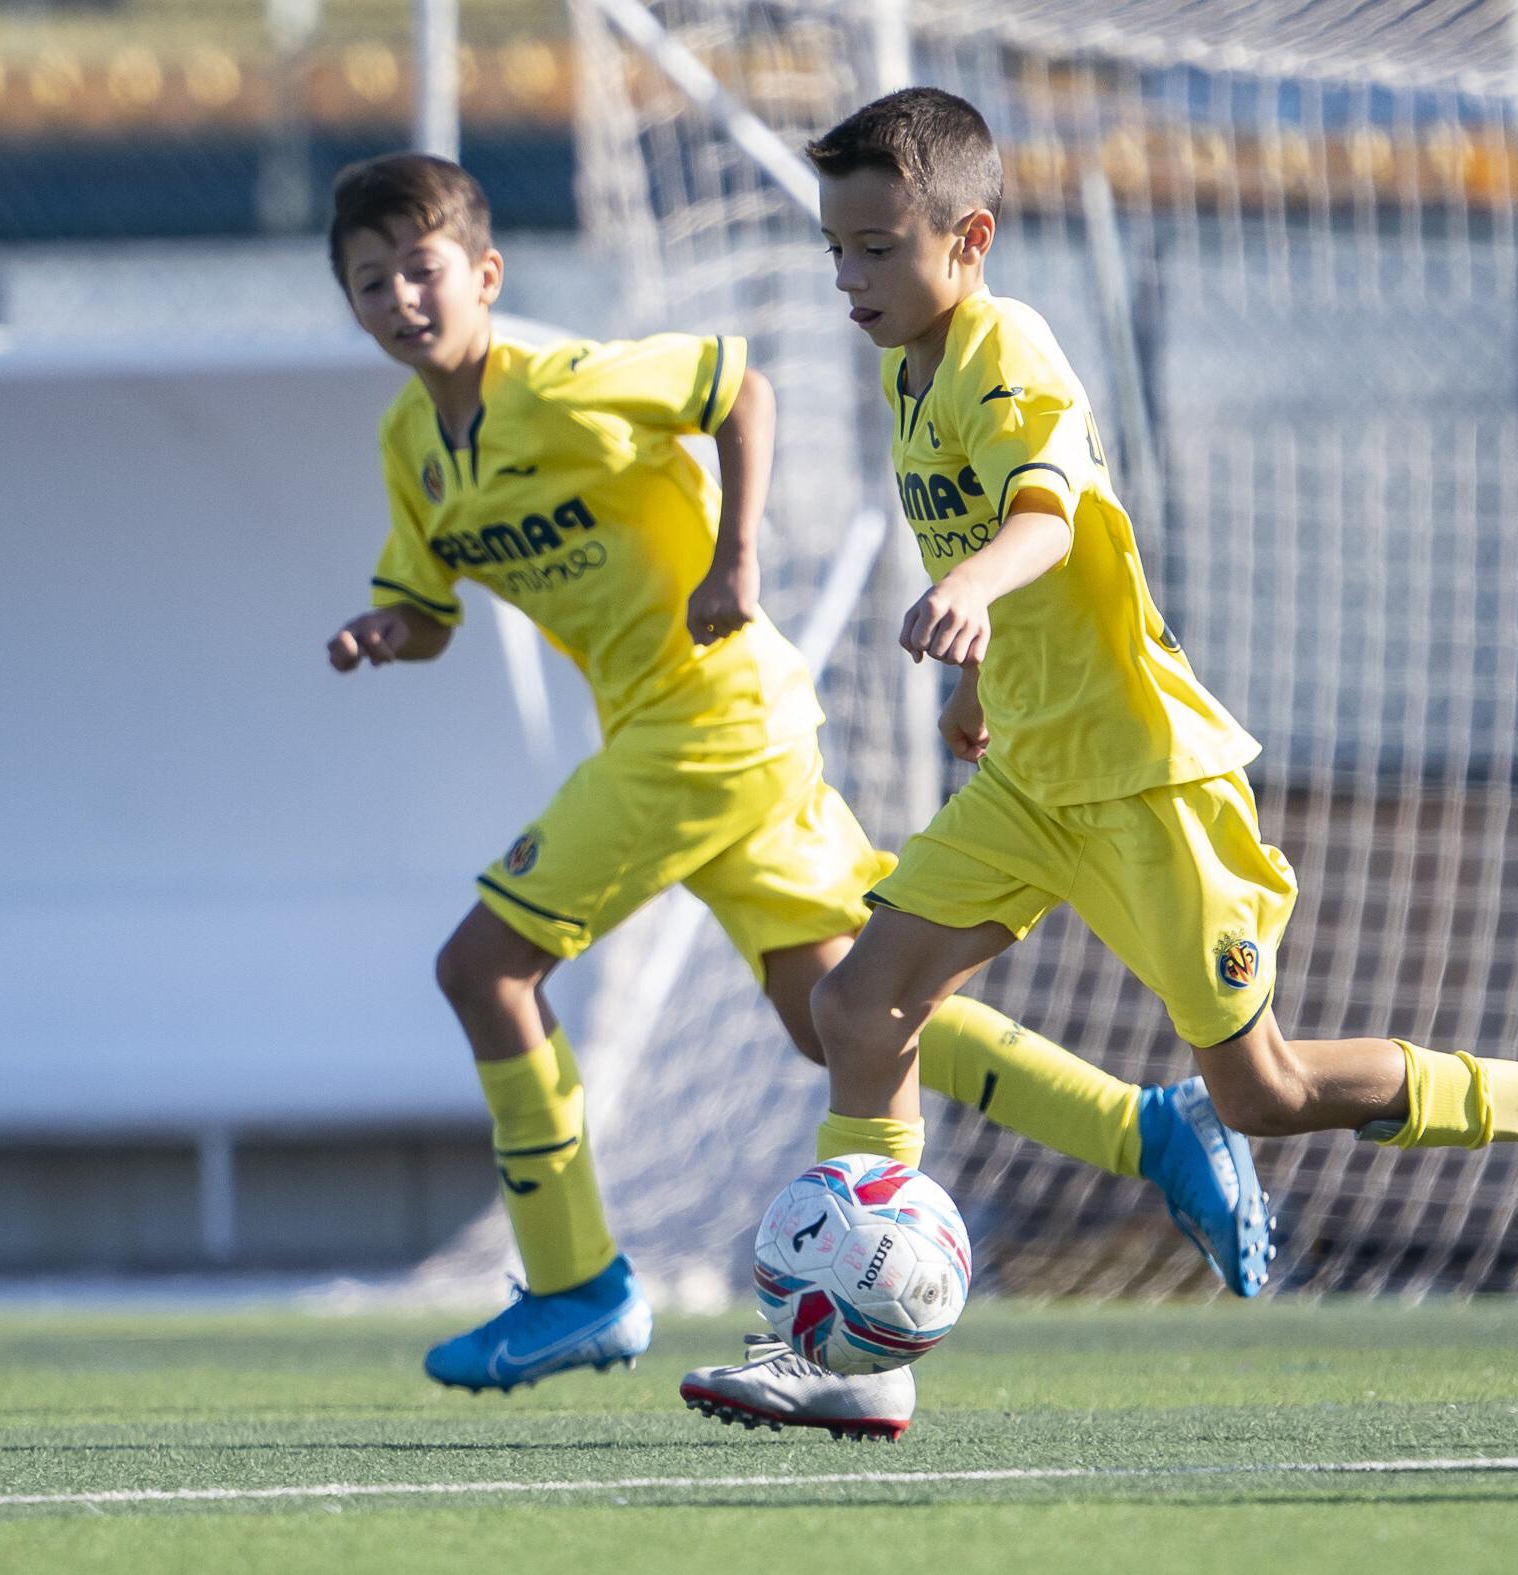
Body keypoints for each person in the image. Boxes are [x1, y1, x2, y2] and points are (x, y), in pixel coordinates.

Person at [322, 152, 1276, 1436]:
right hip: (709, 737)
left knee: (483, 968)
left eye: (420, 270)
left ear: (484, 275)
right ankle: (1150, 1130)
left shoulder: (558, 385)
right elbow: (426, 606)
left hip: (706, 718)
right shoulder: (410, 447)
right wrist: (388, 631)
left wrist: (736, 558)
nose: (400, 300)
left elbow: (740, 388)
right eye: (369, 283)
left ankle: (574, 1284)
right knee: (837, 1018)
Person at [799, 88, 1518, 1295]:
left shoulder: (1001, 344)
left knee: (1262, 1092)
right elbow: (1002, 562)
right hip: (1030, 779)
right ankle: (858, 1335)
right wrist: (977, 678)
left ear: (969, 241)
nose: (849, 277)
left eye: (877, 247)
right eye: (835, 249)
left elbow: (1044, 517)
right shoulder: (908, 377)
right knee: (858, 1007)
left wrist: (974, 591)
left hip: (1140, 780)